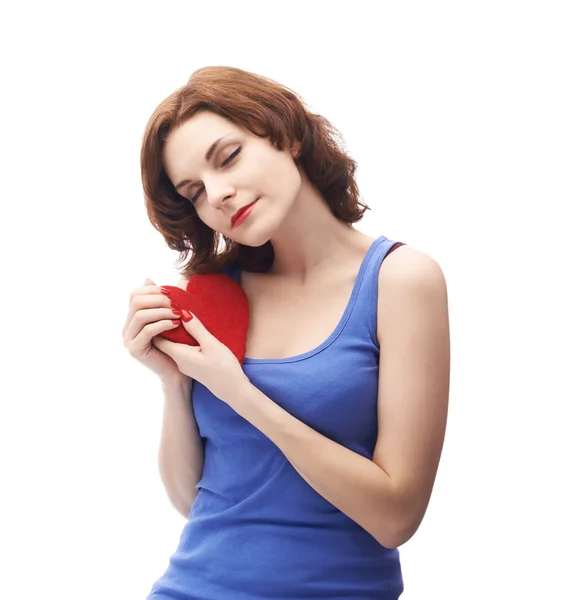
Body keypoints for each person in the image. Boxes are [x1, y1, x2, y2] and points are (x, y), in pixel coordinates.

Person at [122, 65, 450, 600]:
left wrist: (238, 391)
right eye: (195, 191)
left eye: (228, 158)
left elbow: (396, 517)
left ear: (287, 136)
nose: (219, 195)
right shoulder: (214, 292)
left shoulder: (400, 280)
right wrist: (174, 383)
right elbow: (192, 501)